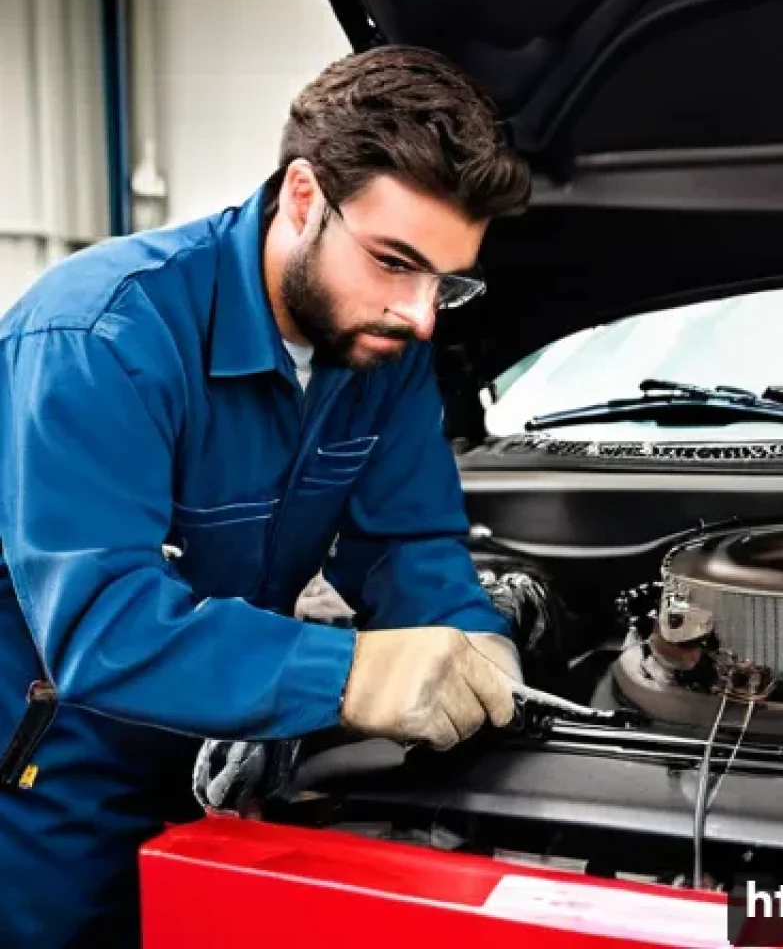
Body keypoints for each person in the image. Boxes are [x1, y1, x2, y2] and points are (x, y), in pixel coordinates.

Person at [0, 46, 532, 948]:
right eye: (395, 262)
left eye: (446, 281)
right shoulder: (99, 339)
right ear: (303, 196)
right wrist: (349, 675)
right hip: (56, 781)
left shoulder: (381, 352)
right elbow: (103, 626)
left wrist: (476, 645)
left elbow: (406, 543)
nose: (420, 315)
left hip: (228, 757)